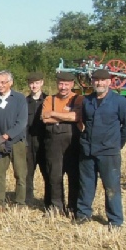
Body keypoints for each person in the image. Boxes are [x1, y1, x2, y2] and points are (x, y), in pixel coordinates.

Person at [75, 69, 126, 228]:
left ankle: (115, 220)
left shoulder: (119, 101)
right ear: (92, 82)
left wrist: (116, 144)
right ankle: (83, 214)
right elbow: (85, 122)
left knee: (111, 186)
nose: (99, 83)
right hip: (88, 150)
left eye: (102, 80)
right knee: (86, 185)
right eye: (96, 80)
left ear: (109, 82)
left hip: (109, 152)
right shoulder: (87, 100)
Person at [40, 72, 83, 217]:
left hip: (73, 143)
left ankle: (72, 206)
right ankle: (56, 206)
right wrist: (68, 117)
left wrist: (54, 114)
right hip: (53, 144)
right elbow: (45, 118)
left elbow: (77, 116)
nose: (63, 87)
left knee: (74, 175)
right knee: (54, 175)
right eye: (60, 84)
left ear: (72, 85)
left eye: (66, 84)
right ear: (57, 84)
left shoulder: (78, 99)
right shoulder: (49, 99)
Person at [0, 71, 29, 209]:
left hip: (17, 142)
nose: (0, 85)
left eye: (3, 82)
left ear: (11, 82)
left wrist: (6, 136)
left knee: (20, 174)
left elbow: (22, 122)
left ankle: (20, 202)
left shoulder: (20, 98)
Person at [25, 72, 48, 204]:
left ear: (42, 83)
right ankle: (28, 200)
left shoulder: (49, 100)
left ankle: (48, 201)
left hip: (44, 143)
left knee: (48, 173)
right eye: (32, 83)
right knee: (28, 174)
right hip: (29, 142)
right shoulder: (24, 102)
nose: (34, 86)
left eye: (37, 83)